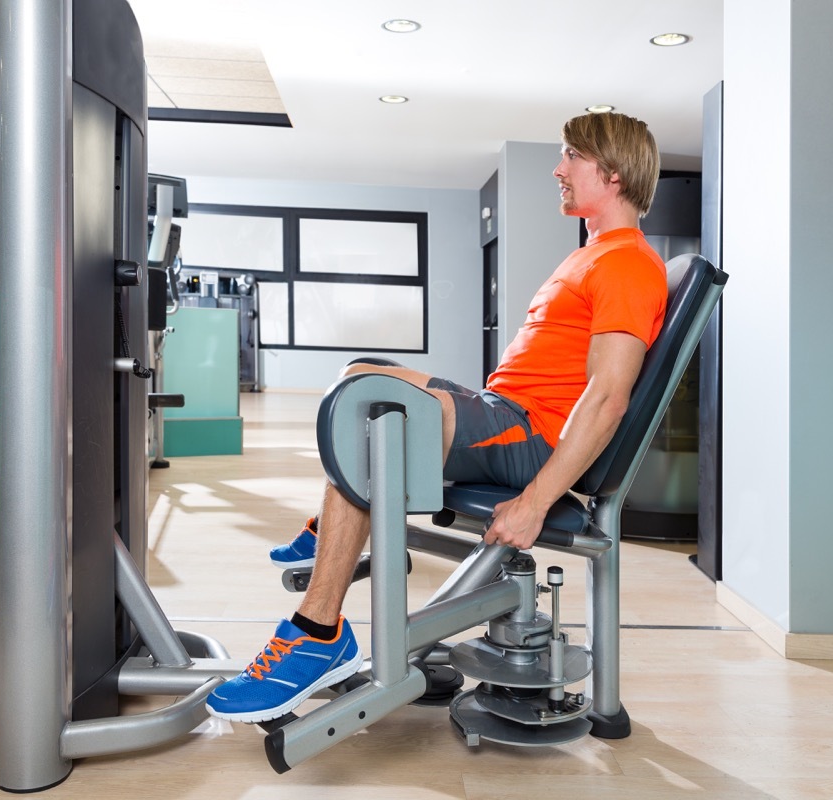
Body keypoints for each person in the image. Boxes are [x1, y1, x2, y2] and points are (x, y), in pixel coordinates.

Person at [206, 111, 669, 723]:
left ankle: (317, 633)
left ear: (613, 173)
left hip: (529, 434)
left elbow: (608, 397)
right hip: (506, 411)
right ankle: (329, 533)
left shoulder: (628, 264)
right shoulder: (592, 254)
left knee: (371, 413)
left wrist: (534, 502)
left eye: (571, 156)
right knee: (360, 375)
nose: (558, 169)